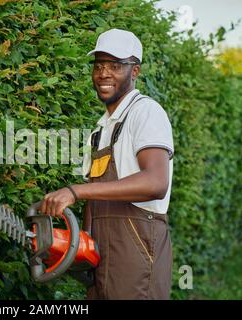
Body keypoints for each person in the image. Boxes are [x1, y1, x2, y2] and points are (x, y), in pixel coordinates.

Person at [40, 28, 174, 299]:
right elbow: (96, 195)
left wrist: (75, 191)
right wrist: (82, 244)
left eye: (115, 66)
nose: (104, 73)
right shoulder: (99, 130)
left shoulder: (145, 112)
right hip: (102, 251)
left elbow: (156, 182)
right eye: (99, 65)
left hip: (137, 246)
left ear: (134, 71)